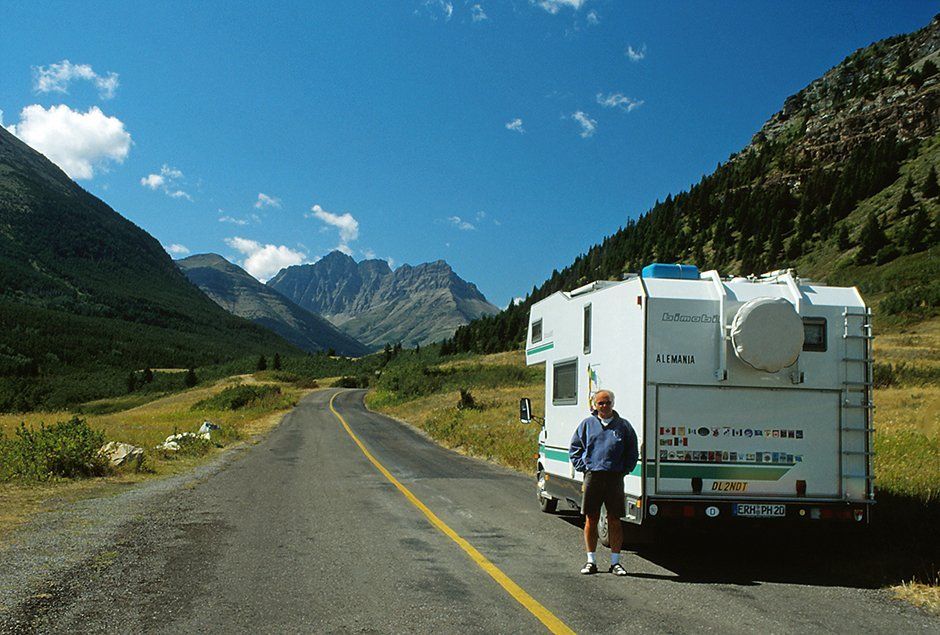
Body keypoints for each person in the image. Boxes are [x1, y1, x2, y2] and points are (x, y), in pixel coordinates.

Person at [568, 388, 639, 576]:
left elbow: (633, 452)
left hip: (615, 477)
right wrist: (584, 467)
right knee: (591, 518)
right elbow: (575, 448)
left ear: (613, 404)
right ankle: (591, 561)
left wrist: (625, 469)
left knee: (614, 519)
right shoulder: (587, 424)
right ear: (594, 405)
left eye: (607, 402)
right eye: (601, 403)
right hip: (593, 476)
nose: (604, 406)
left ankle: (615, 562)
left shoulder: (623, 426)